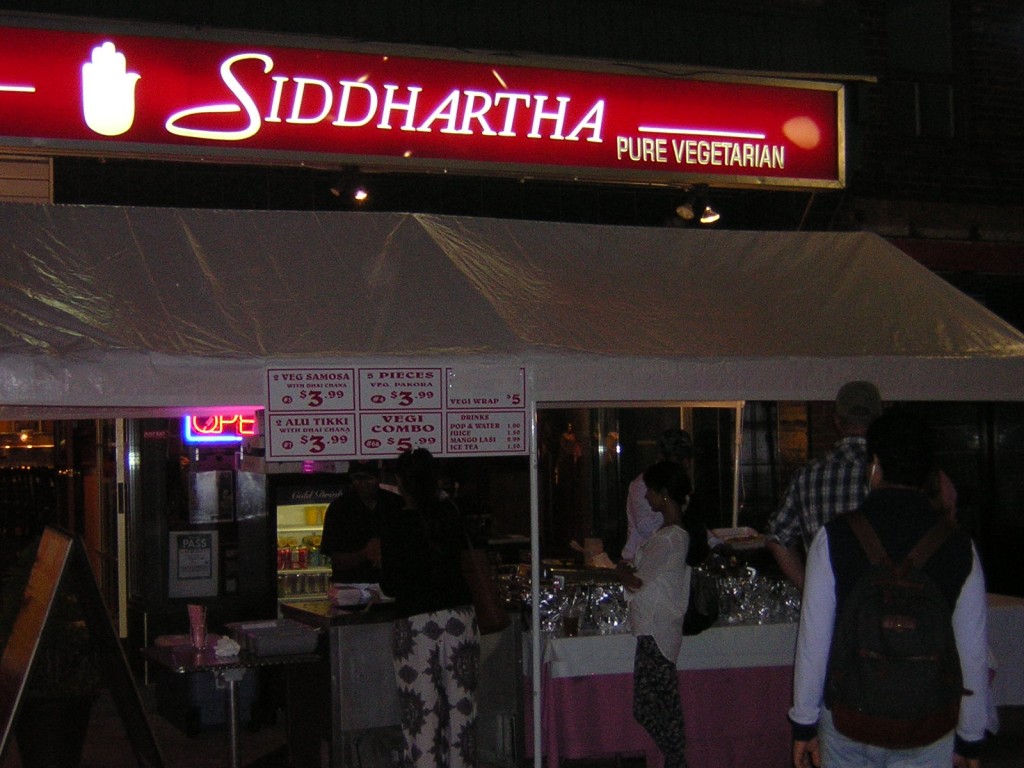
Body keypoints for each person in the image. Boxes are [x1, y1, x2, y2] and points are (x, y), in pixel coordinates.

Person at [789, 408, 989, 768]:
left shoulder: (834, 538)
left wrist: (804, 723)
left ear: (875, 464)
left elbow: (813, 640)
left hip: (851, 719)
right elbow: (971, 650)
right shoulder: (959, 547)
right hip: (928, 724)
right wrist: (971, 737)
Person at [379, 448, 479, 768]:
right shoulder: (450, 512)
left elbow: (391, 585)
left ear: (400, 482)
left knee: (421, 716)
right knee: (461, 717)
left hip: (417, 623)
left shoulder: (395, 523)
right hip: (460, 619)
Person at [766, 380, 883, 591]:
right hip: (883, 600)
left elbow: (777, 538)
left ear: (837, 421)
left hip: (829, 604)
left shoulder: (808, 475)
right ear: (879, 420)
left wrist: (810, 589)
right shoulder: (892, 471)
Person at [616, 460, 693, 768]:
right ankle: (676, 758)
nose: (646, 497)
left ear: (663, 494)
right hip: (653, 628)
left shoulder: (673, 537)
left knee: (654, 705)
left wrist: (621, 575)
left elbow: (638, 581)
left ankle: (677, 758)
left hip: (657, 630)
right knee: (657, 704)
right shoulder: (668, 534)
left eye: (650, 491)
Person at [622, 428, 708, 567]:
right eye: (680, 457)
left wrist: (713, 542)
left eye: (688, 457)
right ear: (662, 456)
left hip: (673, 561)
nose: (686, 463)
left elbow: (691, 523)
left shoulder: (680, 483)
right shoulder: (641, 485)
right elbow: (647, 527)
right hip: (643, 563)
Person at [319, 459, 402, 584]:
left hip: (392, 583)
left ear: (378, 478)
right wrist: (365, 553)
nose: (363, 483)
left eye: (368, 478)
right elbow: (336, 558)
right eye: (358, 478)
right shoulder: (339, 508)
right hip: (351, 587)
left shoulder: (395, 503)